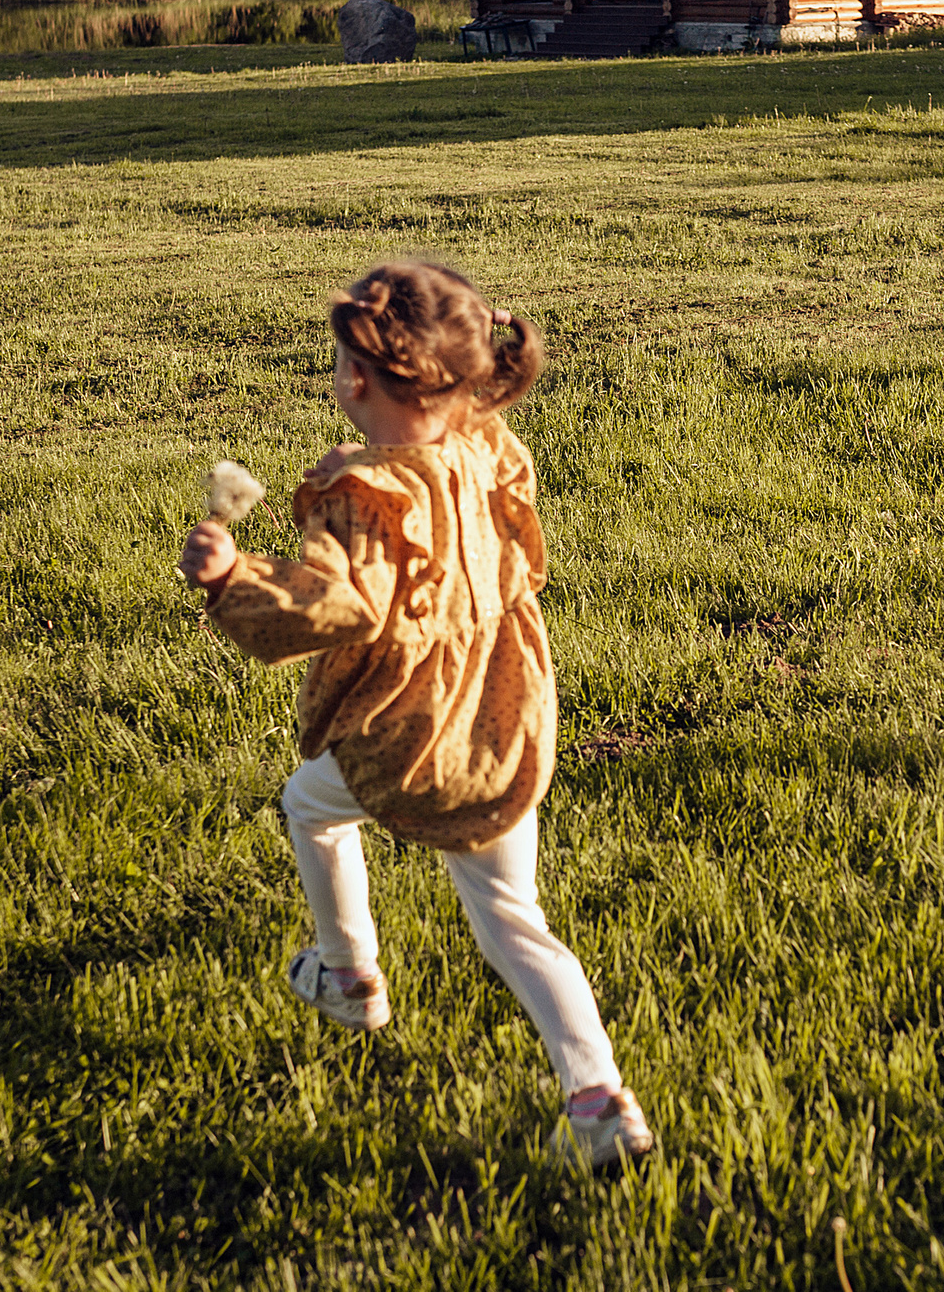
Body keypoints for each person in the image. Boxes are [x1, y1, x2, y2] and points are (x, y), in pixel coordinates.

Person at [177, 262, 653, 1172]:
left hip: (411, 734)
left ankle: (350, 973)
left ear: (356, 380)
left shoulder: (369, 495)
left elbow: (335, 603)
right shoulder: (486, 447)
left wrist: (230, 576)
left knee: (311, 806)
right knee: (517, 918)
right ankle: (599, 1096)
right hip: (504, 718)